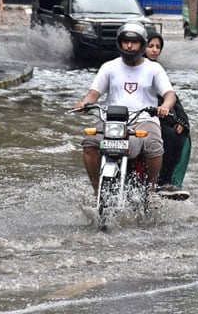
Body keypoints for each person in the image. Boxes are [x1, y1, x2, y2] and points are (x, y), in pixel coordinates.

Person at [73, 22, 177, 209]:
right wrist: (84, 103)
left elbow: (170, 94)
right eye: (126, 41)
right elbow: (94, 93)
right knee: (89, 143)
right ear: (119, 43)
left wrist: (164, 106)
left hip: (143, 120)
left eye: (134, 42)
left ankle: (151, 191)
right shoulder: (109, 67)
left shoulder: (154, 69)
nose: (129, 46)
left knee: (154, 143)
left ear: (142, 44)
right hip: (111, 120)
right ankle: (96, 192)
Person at [144, 31, 191, 200]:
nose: (155, 50)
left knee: (178, 134)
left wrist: (181, 120)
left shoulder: (158, 70)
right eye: (150, 46)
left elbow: (172, 98)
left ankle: (167, 182)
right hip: (134, 118)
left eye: (158, 47)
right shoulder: (122, 66)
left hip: (156, 118)